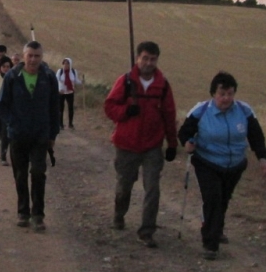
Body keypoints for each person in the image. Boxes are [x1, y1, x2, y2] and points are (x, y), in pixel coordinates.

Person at [178, 71, 266, 260]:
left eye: (230, 94)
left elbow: (256, 136)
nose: (226, 98)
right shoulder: (201, 111)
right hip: (207, 162)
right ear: (213, 94)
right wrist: (187, 143)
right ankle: (210, 243)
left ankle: (216, 229)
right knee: (213, 198)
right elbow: (185, 133)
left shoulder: (244, 111)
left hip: (235, 164)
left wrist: (262, 158)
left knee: (223, 199)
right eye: (222, 94)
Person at [104, 41, 177, 248]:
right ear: (138, 58)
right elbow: (109, 107)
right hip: (126, 144)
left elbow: (169, 114)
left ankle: (147, 231)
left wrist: (172, 143)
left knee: (152, 188)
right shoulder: (126, 81)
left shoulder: (163, 85)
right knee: (124, 186)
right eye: (145, 58)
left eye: (152, 59)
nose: (148, 63)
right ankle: (119, 214)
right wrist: (126, 111)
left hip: (152, 145)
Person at [0, 41, 60, 232]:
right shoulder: (12, 77)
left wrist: (52, 134)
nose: (33, 59)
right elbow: (2, 106)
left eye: (37, 56)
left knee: (38, 173)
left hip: (40, 135)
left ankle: (38, 215)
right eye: (30, 55)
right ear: (24, 56)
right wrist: (12, 122)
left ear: (42, 57)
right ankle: (23, 212)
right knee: (20, 174)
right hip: (17, 135)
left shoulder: (49, 77)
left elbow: (55, 108)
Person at [56, 57, 82, 129]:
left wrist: (81, 82)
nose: (66, 65)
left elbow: (76, 80)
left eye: (67, 64)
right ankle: (60, 124)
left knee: (71, 108)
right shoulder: (60, 71)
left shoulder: (73, 72)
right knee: (61, 108)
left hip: (70, 92)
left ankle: (70, 124)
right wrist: (58, 89)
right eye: (64, 64)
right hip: (61, 92)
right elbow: (56, 81)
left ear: (70, 64)